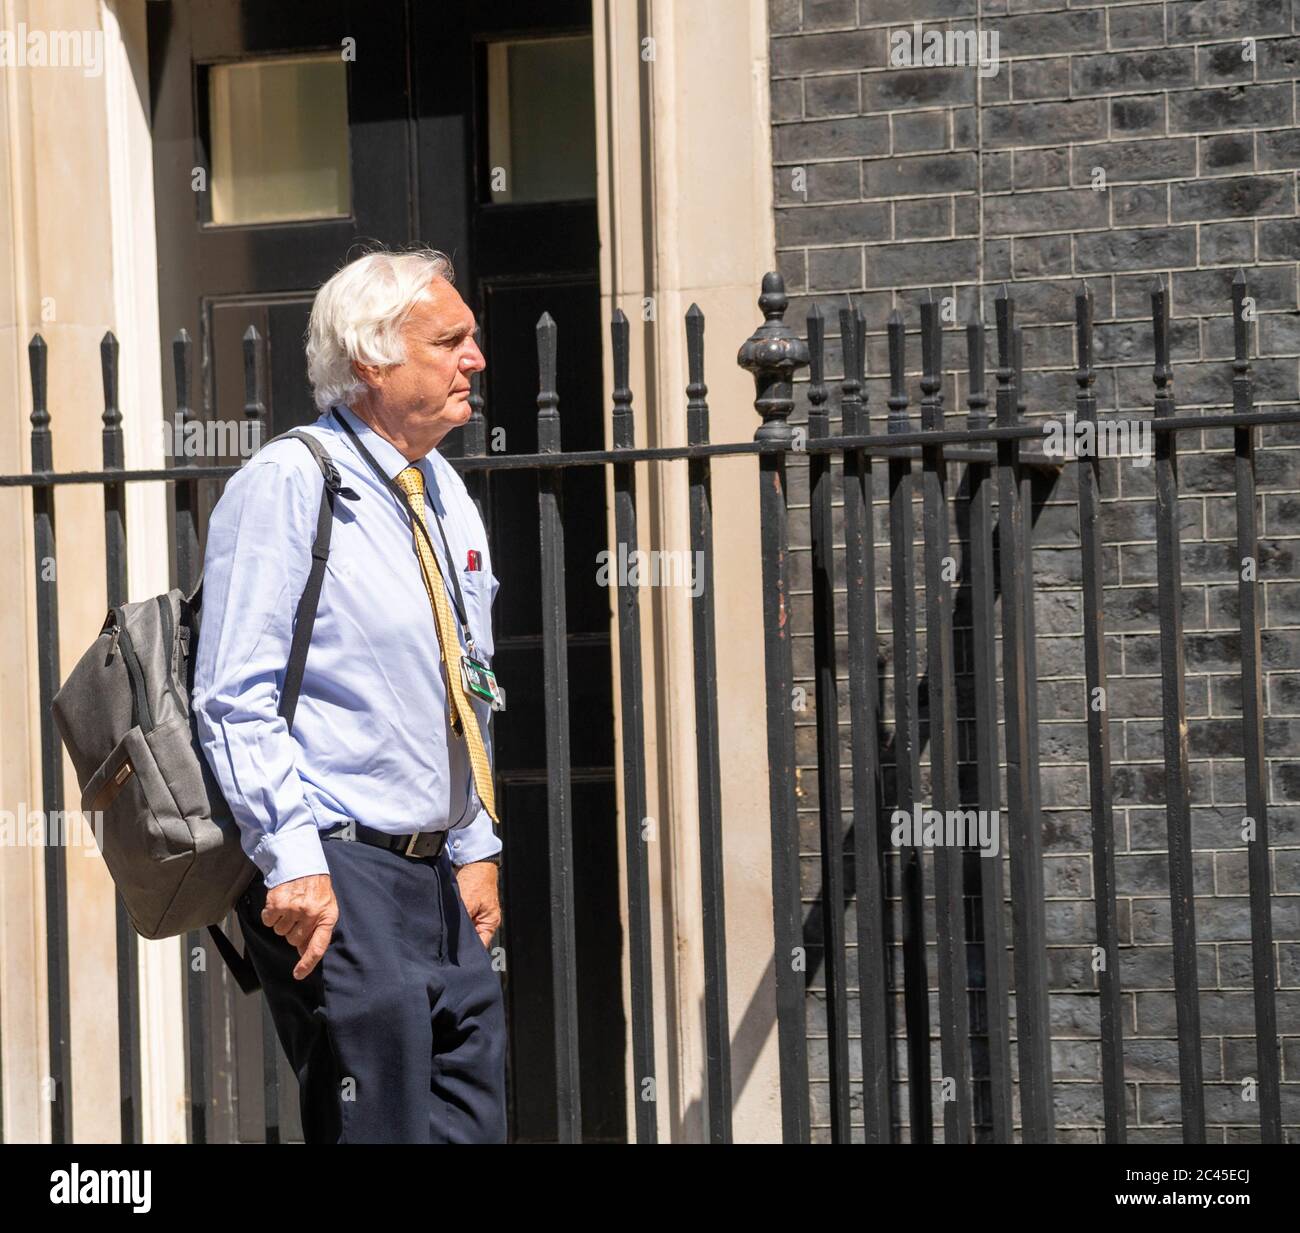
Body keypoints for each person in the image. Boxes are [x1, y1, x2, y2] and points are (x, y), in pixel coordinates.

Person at [192, 248, 507, 1143]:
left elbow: (465, 686)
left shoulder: (444, 490)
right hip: (339, 869)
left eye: (471, 339)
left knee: (469, 1125)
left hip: (436, 872)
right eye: (449, 340)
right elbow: (233, 694)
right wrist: (292, 859)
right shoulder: (289, 482)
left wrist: (476, 839)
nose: (473, 358)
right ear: (371, 359)